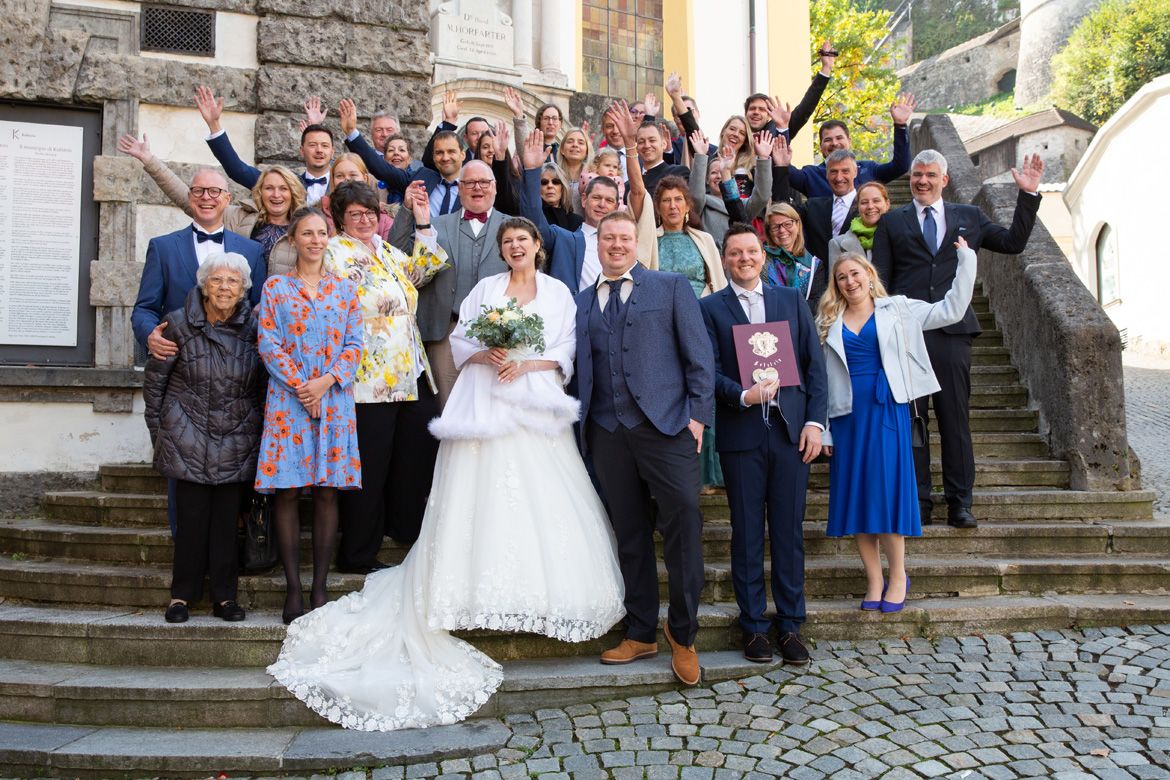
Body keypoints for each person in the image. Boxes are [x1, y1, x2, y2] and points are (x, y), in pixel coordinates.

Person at [267, 217, 625, 731]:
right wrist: (486, 353)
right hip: (486, 394)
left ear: (538, 247)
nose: (516, 247)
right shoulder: (485, 290)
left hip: (536, 400)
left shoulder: (558, 293)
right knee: (480, 490)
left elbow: (567, 345)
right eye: (508, 242)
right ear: (502, 250)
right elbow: (459, 340)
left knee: (542, 494)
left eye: (523, 241)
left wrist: (528, 364)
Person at [576, 210, 714, 687]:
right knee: (630, 533)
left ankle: (683, 634)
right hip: (607, 431)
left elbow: (700, 356)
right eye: (608, 238)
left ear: (636, 242)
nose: (616, 245)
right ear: (597, 244)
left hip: (668, 427)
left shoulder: (669, 286)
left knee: (684, 521)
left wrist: (698, 417)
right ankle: (640, 631)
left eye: (624, 238)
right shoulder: (581, 301)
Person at [872, 150, 1044, 529]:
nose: (922, 181)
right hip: (907, 334)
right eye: (917, 174)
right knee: (914, 422)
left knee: (955, 421)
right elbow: (879, 280)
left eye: (930, 175)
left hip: (953, 334)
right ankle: (919, 501)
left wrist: (1028, 195)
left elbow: (1012, 243)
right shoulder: (892, 222)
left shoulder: (969, 216)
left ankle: (960, 503)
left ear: (944, 180)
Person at [818, 241, 976, 614]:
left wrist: (967, 260)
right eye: (842, 278)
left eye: (855, 273)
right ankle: (874, 580)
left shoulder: (899, 309)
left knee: (885, 495)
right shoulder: (827, 321)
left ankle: (899, 575)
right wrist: (823, 429)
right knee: (857, 499)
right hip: (846, 417)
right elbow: (820, 381)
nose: (849, 282)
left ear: (869, 275)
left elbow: (951, 309)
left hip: (886, 410)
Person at [700, 224, 827, 663]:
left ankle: (790, 624)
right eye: (735, 253)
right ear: (724, 259)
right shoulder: (709, 308)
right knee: (747, 532)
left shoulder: (790, 300)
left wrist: (815, 423)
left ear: (763, 256)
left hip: (791, 434)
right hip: (742, 434)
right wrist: (742, 395)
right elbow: (709, 370)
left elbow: (814, 367)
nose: (744, 259)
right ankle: (753, 625)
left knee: (789, 532)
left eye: (751, 251)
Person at [324, 181, 447, 573]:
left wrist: (423, 222)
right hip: (368, 378)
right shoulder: (333, 253)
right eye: (355, 214)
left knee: (415, 454)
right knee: (371, 466)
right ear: (340, 218)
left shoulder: (387, 251)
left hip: (411, 372)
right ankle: (358, 553)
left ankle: (404, 532)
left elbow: (424, 270)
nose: (364, 220)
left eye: (370, 213)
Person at [254, 207, 364, 624]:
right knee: (286, 491)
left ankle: (319, 586)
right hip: (289, 401)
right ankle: (293, 588)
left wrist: (324, 383)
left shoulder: (345, 289)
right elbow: (268, 343)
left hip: (333, 400)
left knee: (326, 492)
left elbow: (355, 344)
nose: (315, 241)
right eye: (307, 234)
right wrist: (303, 386)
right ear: (293, 239)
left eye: (321, 233)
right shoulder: (276, 288)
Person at [144, 251, 264, 624]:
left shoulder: (255, 329)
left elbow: (263, 387)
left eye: (232, 281)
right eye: (217, 280)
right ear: (204, 286)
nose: (224, 287)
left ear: (243, 289)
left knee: (227, 523)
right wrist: (162, 435)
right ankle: (181, 596)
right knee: (191, 522)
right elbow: (155, 386)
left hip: (236, 436)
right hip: (188, 436)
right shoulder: (177, 324)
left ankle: (225, 598)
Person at [386, 158, 512, 407]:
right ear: (460, 188)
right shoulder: (435, 225)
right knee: (448, 410)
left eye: (484, 182)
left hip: (498, 336)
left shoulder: (513, 227)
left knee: (494, 409)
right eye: (470, 183)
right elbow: (396, 252)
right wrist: (408, 210)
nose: (478, 187)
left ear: (495, 187)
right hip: (447, 333)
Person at [118, 133, 304, 277]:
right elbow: (188, 198)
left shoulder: (304, 228)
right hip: (238, 307)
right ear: (260, 192)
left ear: (293, 192)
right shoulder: (239, 217)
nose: (276, 195)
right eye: (269, 188)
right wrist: (150, 160)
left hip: (283, 309)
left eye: (283, 189)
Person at [195, 88, 334, 206]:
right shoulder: (286, 183)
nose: (319, 150)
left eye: (324, 145)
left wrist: (315, 130)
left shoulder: (343, 183)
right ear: (302, 151)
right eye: (312, 145)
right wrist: (214, 124)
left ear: (332, 152)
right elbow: (238, 171)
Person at [788, 93, 916, 198]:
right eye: (828, 140)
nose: (834, 143)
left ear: (849, 141)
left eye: (839, 138)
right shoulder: (811, 175)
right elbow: (784, 169)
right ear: (821, 146)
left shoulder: (869, 169)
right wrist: (781, 130)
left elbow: (900, 166)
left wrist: (900, 125)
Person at [689, 131, 773, 248]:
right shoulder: (703, 204)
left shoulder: (742, 206)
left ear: (732, 178)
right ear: (707, 180)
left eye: (722, 172)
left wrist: (763, 158)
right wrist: (700, 155)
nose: (719, 176)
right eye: (713, 173)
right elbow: (696, 196)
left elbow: (762, 197)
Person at [742, 41, 836, 138]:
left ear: (769, 116)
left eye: (762, 109)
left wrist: (826, 69)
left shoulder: (779, 127)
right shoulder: (736, 133)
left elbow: (805, 108)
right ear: (745, 113)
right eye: (752, 108)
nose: (756, 112)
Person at [761, 201, 824, 308]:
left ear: (798, 225)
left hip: (801, 317)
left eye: (788, 224)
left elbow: (816, 303)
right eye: (775, 227)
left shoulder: (814, 264)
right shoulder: (761, 259)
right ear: (769, 232)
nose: (782, 230)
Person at [319, 154, 394, 242]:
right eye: (339, 176)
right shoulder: (318, 214)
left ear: (365, 178)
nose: (347, 180)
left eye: (353, 175)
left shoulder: (384, 219)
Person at [829, 182, 891, 262]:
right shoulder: (837, 244)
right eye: (864, 202)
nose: (870, 206)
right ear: (857, 206)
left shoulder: (900, 237)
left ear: (887, 204)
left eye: (876, 201)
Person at [538, 163, 584, 232]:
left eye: (555, 182)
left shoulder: (577, 221)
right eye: (544, 182)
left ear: (563, 187)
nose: (550, 186)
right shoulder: (533, 216)